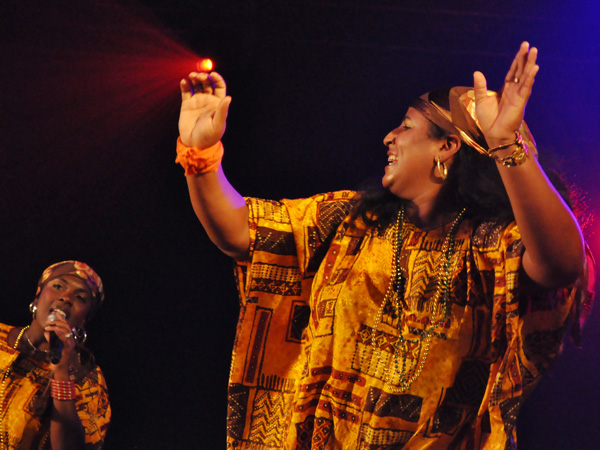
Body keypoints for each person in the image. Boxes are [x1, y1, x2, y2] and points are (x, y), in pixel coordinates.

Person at [175, 42, 594, 449]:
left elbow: (560, 266)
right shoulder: (350, 221)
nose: (389, 137)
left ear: (446, 147)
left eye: (407, 126)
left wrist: (504, 143)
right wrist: (200, 153)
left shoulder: (490, 245)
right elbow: (238, 232)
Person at [0, 261, 111, 449]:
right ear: (37, 297)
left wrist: (61, 370)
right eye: (58, 286)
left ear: (83, 320)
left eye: (80, 298)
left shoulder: (88, 381)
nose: (66, 298)